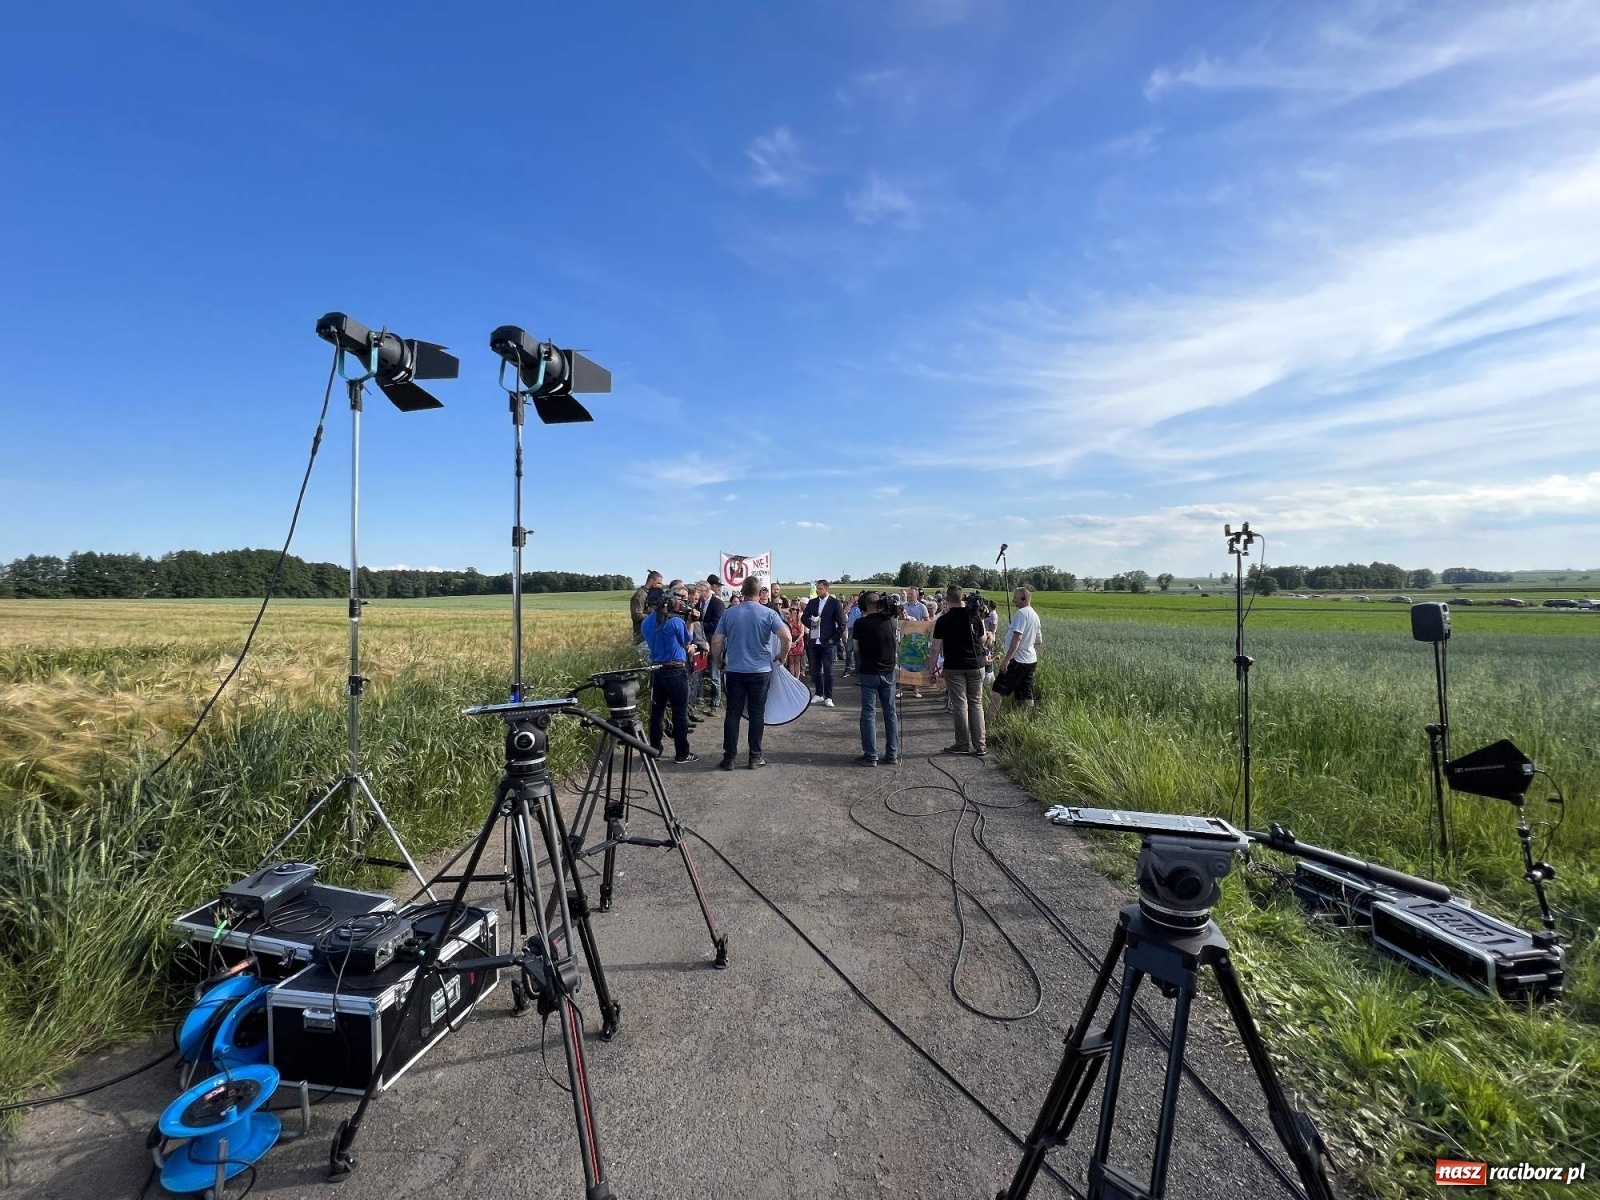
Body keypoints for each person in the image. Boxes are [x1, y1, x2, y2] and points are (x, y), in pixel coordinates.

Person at [710, 575, 791, 770]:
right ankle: (755, 757)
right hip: (760, 670)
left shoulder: (729, 613)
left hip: (735, 670)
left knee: (733, 713)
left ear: (742, 591)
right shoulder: (769, 613)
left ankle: (729, 758)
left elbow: (716, 641)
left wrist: (719, 661)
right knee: (757, 714)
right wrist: (782, 655)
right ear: (760, 591)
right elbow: (786, 637)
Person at [639, 589, 704, 764]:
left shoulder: (645, 624)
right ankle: (682, 753)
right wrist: (690, 622)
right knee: (679, 713)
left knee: (656, 713)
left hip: (656, 669)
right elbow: (687, 641)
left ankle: (654, 750)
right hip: (675, 669)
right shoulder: (675, 622)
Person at [932, 584, 988, 757]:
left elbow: (935, 648)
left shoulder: (943, 620)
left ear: (947, 599)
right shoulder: (974, 616)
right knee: (976, 703)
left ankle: (962, 743)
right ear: (962, 597)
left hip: (954, 666)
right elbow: (983, 639)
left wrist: (930, 670)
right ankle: (980, 745)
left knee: (960, 704)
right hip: (976, 665)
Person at [851, 591, 899, 766]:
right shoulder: (891, 621)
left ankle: (871, 755)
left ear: (864, 605)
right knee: (890, 713)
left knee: (868, 714)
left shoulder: (860, 623)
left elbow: (856, 648)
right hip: (888, 671)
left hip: (869, 672)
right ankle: (892, 754)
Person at [989, 586, 1043, 718]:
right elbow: (1039, 640)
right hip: (1031, 660)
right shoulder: (1035, 615)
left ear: (1024, 598)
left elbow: (1017, 637)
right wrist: (1028, 641)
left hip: (1017, 659)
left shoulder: (1021, 613)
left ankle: (990, 720)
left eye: (1015, 598)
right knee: (1026, 693)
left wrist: (1007, 660)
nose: (1013, 601)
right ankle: (1026, 720)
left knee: (997, 690)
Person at [801, 579, 845, 708]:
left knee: (828, 670)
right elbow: (804, 618)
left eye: (820, 588)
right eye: (817, 588)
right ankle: (819, 693)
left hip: (828, 642)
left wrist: (834, 639)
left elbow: (842, 623)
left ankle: (828, 696)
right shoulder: (812, 602)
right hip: (814, 641)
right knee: (815, 669)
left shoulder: (834, 603)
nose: (817, 590)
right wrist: (811, 623)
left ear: (826, 589)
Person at [700, 575, 726, 711]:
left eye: (700, 591)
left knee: (715, 674)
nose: (699, 594)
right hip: (701, 643)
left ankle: (715, 702)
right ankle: (700, 700)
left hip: (714, 642)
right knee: (699, 672)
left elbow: (716, 624)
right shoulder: (699, 603)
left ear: (707, 590)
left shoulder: (718, 604)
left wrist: (699, 625)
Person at [631, 569, 663, 641]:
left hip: (651, 634)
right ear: (651, 581)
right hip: (641, 636)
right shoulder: (640, 595)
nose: (660, 586)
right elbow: (636, 615)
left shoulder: (653, 594)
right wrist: (654, 616)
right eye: (658, 583)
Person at [785, 602, 806, 677]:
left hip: (798, 641)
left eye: (796, 610)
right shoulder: (788, 619)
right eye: (793, 609)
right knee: (791, 661)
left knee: (797, 661)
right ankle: (792, 677)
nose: (795, 611)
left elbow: (802, 633)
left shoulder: (800, 620)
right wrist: (790, 641)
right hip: (790, 640)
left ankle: (797, 678)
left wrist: (796, 641)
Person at [843, 594, 862, 675]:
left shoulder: (862, 608)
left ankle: (858, 669)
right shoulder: (851, 607)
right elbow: (844, 612)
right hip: (851, 630)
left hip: (860, 631)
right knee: (848, 650)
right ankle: (848, 668)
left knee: (857, 651)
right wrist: (851, 602)